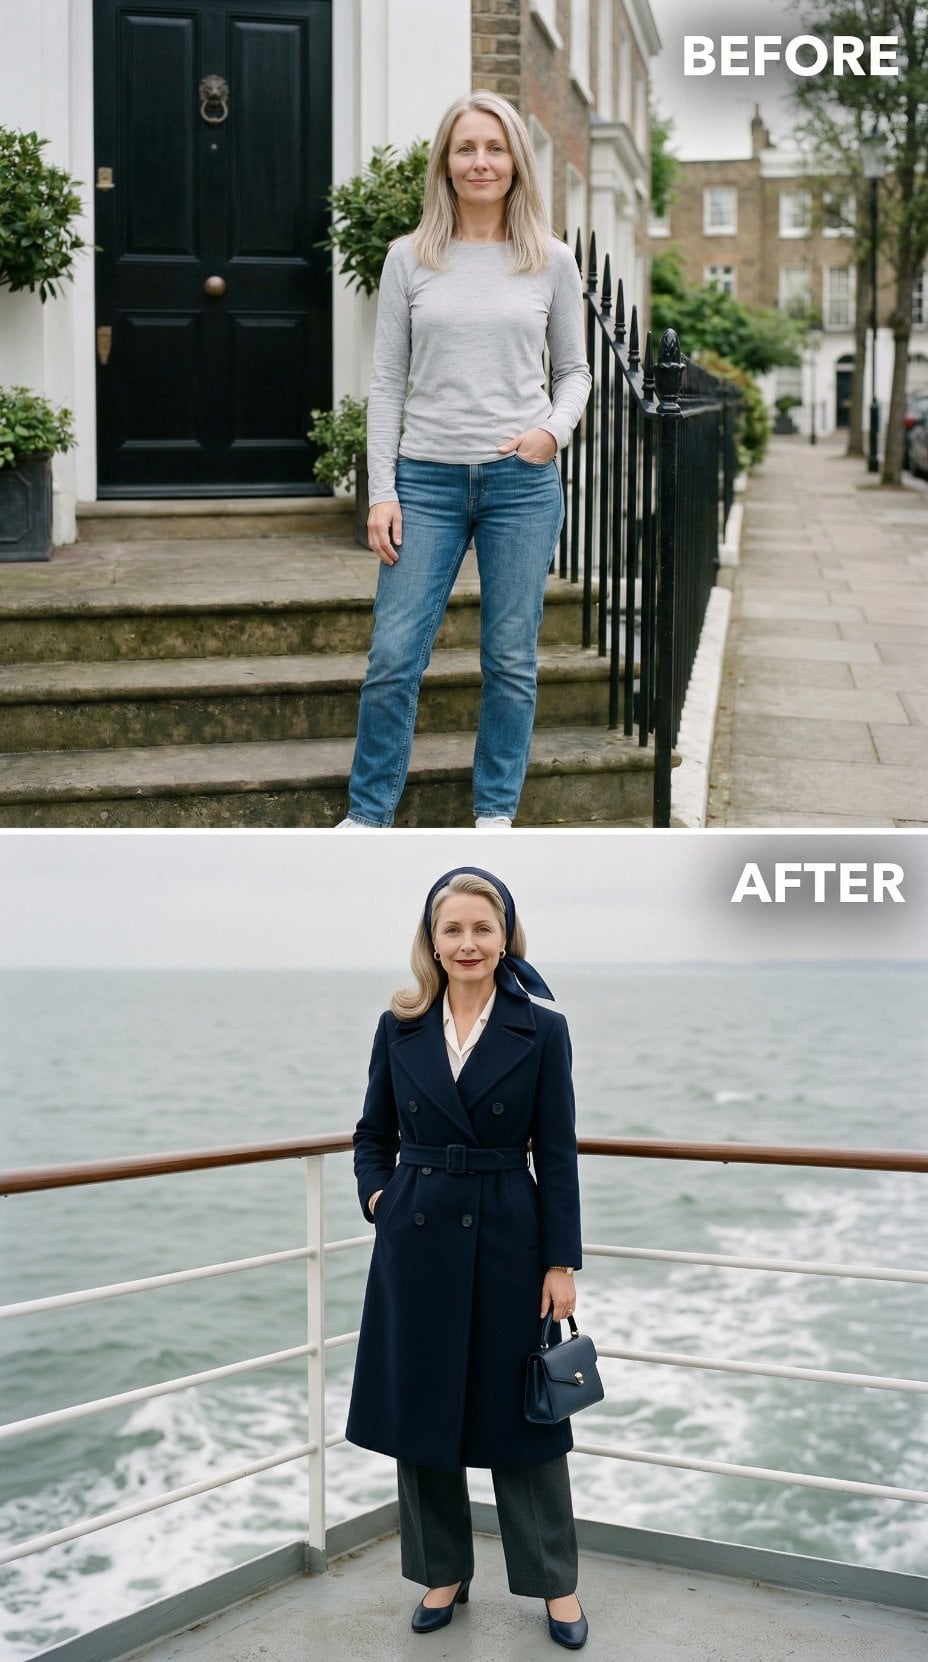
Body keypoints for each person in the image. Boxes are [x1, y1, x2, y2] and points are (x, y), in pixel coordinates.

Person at [346, 867, 588, 1650]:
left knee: (523, 1418)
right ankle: (442, 1572)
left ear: (505, 935)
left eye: (482, 929)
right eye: (452, 930)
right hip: (414, 1243)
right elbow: (370, 1134)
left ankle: (556, 1584)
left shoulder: (541, 1027)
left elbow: (556, 1156)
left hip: (509, 1239)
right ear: (432, 940)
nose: (468, 944)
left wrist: (560, 1262)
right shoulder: (400, 1024)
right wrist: (382, 1199)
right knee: (422, 1414)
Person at [337, 91, 591, 829]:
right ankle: (368, 812)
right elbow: (386, 381)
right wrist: (381, 490)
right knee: (392, 659)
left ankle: (496, 812)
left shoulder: (551, 261)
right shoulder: (409, 259)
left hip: (521, 484)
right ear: (445, 165)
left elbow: (574, 371)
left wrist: (553, 432)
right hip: (426, 482)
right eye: (466, 148)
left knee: (510, 660)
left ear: (516, 162)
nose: (480, 162)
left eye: (495, 148)